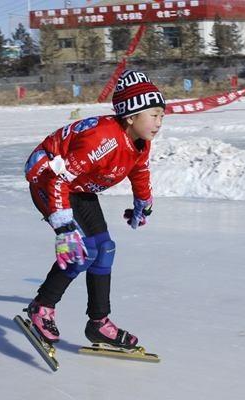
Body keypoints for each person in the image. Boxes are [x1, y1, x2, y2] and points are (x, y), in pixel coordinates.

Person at [23, 70, 165, 349]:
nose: (159, 122)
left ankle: (98, 323)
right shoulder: (103, 141)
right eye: (154, 115)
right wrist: (63, 228)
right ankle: (42, 307)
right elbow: (58, 179)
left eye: (162, 115)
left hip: (79, 187)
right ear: (131, 116)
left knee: (106, 248)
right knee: (80, 252)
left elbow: (139, 172)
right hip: (48, 179)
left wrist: (142, 204)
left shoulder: (141, 142)